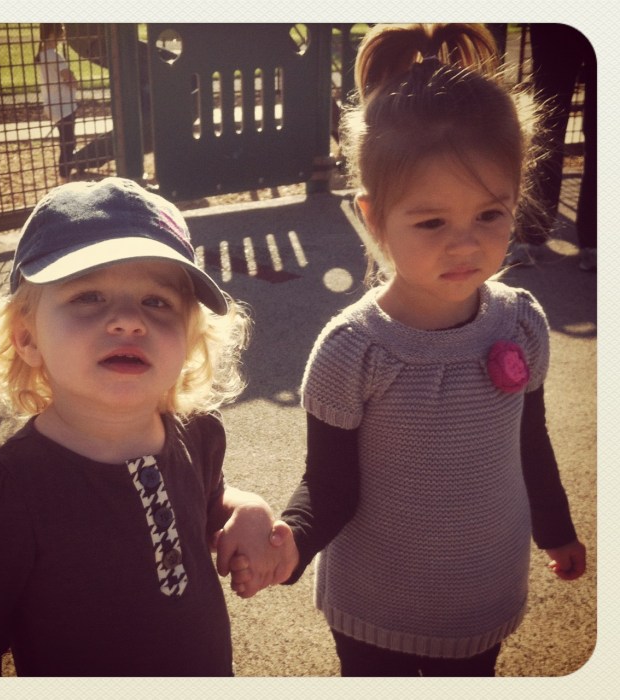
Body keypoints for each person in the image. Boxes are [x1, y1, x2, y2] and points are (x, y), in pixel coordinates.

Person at [224, 23, 587, 677]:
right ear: (374, 218)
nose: (466, 243)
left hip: (482, 595)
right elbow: (330, 486)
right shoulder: (353, 352)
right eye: (432, 221)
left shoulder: (521, 323)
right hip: (375, 607)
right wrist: (291, 544)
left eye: (490, 214)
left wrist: (555, 527)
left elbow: (530, 443)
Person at [0, 177, 279, 676]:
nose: (128, 321)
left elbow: (205, 503)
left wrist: (245, 508)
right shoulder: (5, 491)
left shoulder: (197, 435)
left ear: (189, 340)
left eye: (157, 302)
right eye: (89, 296)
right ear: (27, 338)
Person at [507, 24, 596, 271]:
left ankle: (595, 238)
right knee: (548, 125)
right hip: (554, 27)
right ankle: (530, 235)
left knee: (602, 133)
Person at [35, 23, 79, 183]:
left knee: (66, 142)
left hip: (52, 104)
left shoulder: (42, 55)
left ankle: (64, 176)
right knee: (68, 144)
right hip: (64, 105)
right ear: (52, 34)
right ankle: (64, 178)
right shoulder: (55, 56)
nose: (63, 36)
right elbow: (71, 80)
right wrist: (74, 80)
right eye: (61, 33)